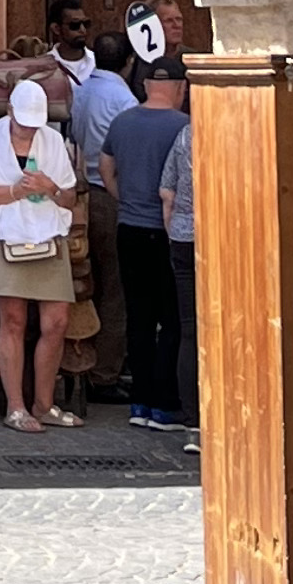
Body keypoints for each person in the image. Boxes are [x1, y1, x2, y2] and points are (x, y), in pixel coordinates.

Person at [0, 74, 80, 437]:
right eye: (23, 123)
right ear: (10, 112)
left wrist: (50, 187)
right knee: (14, 320)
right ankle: (15, 406)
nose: (29, 130)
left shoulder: (52, 140)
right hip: (6, 235)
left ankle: (44, 403)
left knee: (57, 321)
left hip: (47, 233)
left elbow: (70, 196)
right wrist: (17, 190)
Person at [103, 57, 191, 430]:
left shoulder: (122, 122)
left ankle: (139, 401)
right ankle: (165, 404)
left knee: (139, 317)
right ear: (179, 88)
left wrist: (123, 198)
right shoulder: (182, 126)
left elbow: (105, 166)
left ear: (144, 86)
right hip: (168, 232)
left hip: (130, 228)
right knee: (172, 320)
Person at [59, 27, 138, 398]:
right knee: (113, 289)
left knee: (82, 285)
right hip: (108, 195)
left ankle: (76, 363)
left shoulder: (79, 90)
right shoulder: (124, 101)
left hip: (77, 195)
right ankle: (104, 374)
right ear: (129, 62)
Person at [162, 108, 200, 449]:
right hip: (223, 240)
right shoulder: (235, 133)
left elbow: (167, 194)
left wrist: (172, 231)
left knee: (190, 330)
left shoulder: (186, 136)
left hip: (184, 237)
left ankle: (193, 423)